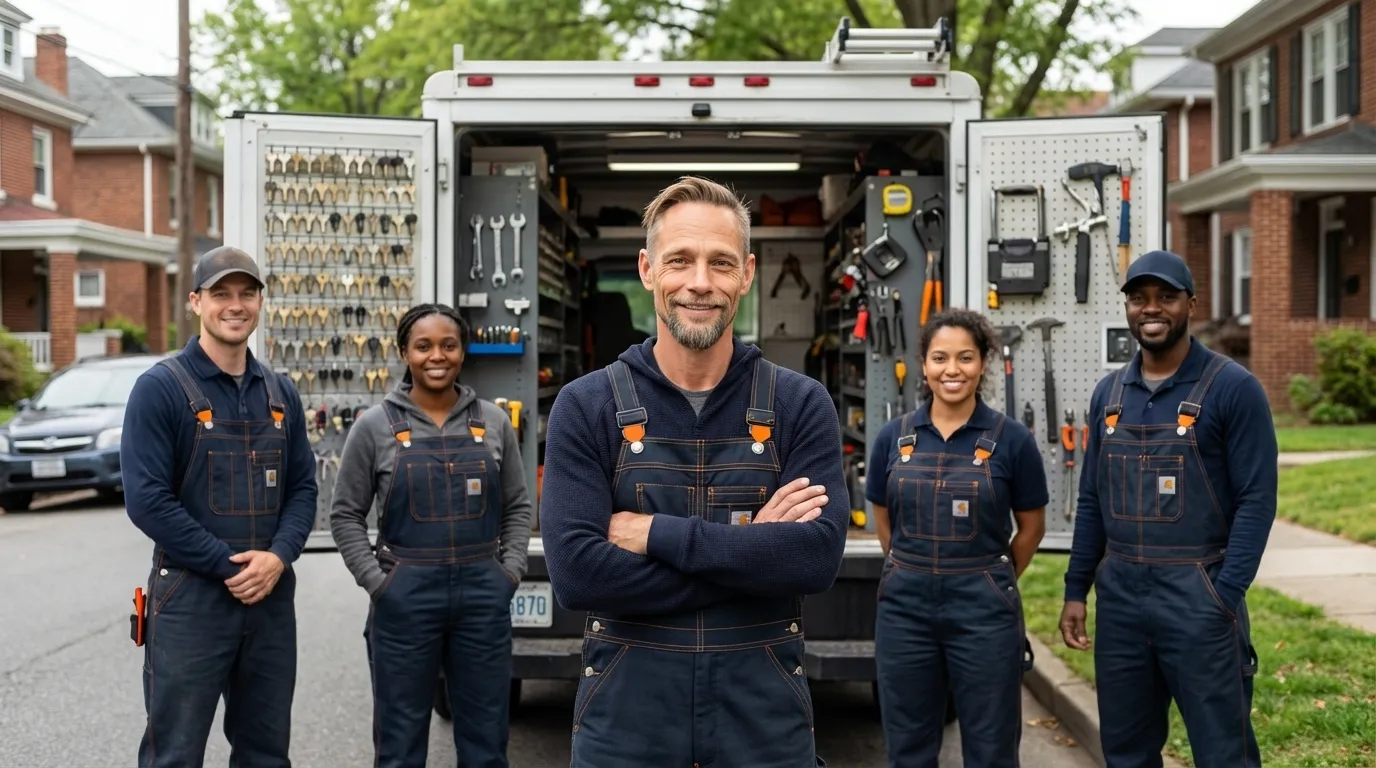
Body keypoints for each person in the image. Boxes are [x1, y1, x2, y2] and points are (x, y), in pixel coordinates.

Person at [539, 176, 850, 768]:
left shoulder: (801, 404)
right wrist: (756, 549)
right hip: (624, 726)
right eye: (679, 260)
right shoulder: (586, 406)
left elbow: (813, 561)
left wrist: (654, 535)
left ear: (748, 273)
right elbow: (578, 577)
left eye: (721, 262)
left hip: (765, 724)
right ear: (648, 269)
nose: (700, 282)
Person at [1058, 250, 1277, 768]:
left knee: (1224, 752)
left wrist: (1224, 596)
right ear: (1128, 308)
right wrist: (1075, 590)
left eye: (1165, 297)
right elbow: (1092, 498)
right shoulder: (1109, 394)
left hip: (1199, 595)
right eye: (1139, 298)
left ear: (1191, 305)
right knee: (1127, 752)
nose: (1150, 309)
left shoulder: (1233, 388)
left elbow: (1257, 500)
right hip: (1121, 603)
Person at [122, 246, 318, 768]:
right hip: (191, 598)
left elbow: (303, 487)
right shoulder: (160, 389)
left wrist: (278, 557)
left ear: (259, 302)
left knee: (265, 753)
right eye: (221, 294)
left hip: (271, 597)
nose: (236, 305)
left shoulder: (279, 393)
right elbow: (147, 501)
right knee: (175, 754)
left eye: (247, 293)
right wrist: (225, 566)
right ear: (195, 302)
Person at [328, 303, 534, 768]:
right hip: (404, 600)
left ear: (462, 352)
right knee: (400, 746)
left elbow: (519, 505)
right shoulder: (374, 426)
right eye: (423, 346)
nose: (435, 356)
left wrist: (509, 571)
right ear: (404, 352)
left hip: (483, 597)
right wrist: (380, 584)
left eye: (448, 345)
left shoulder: (493, 423)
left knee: (485, 744)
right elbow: (345, 516)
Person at [864, 308, 1047, 768]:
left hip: (984, 612)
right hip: (904, 611)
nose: (952, 370)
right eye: (940, 358)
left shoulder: (1013, 440)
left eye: (965, 358)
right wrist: (912, 565)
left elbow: (1031, 528)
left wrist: (989, 576)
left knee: (991, 747)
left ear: (982, 363)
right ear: (923, 364)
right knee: (908, 747)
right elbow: (882, 518)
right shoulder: (893, 438)